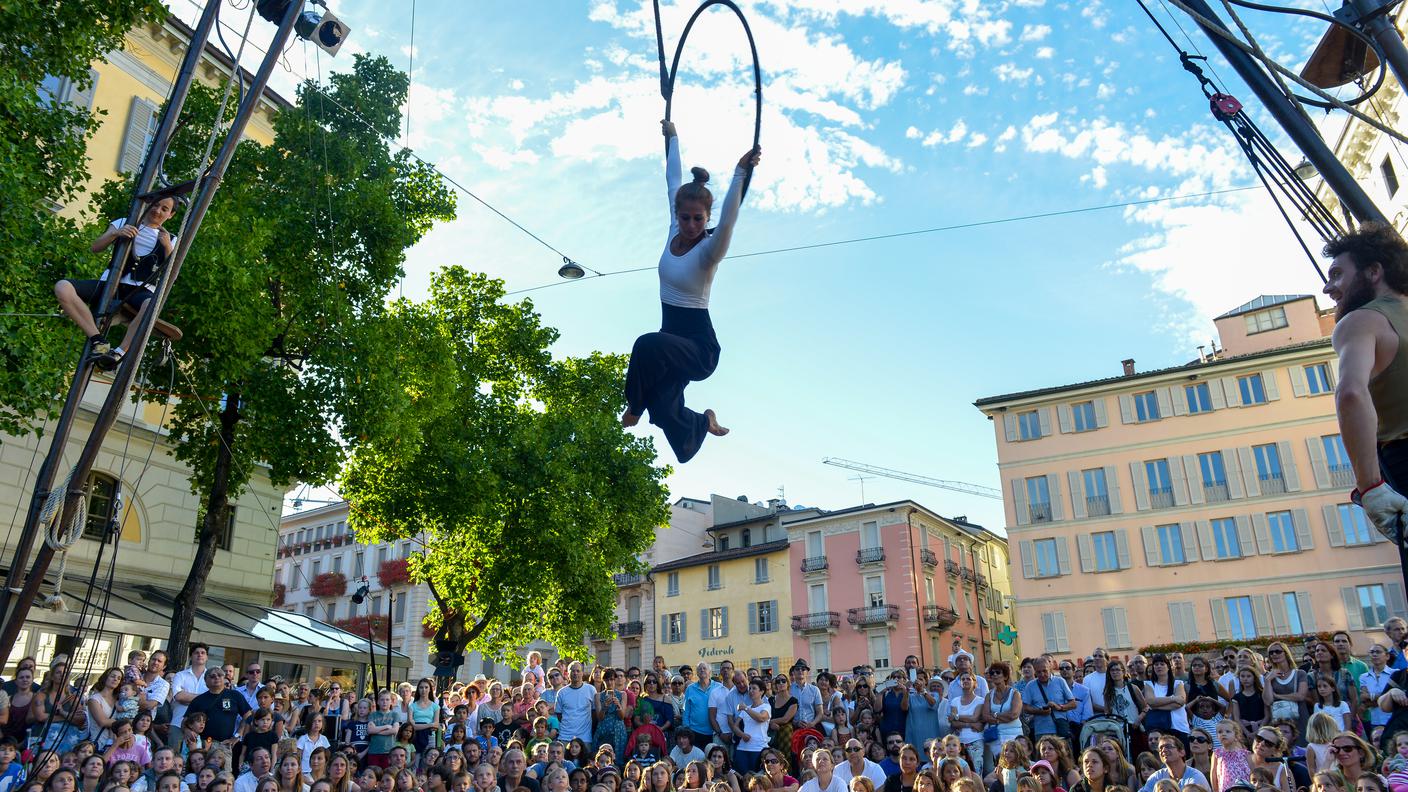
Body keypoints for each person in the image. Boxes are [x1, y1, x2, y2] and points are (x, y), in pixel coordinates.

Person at [619, 119, 762, 463]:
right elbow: (672, 179)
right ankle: (701, 422)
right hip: (672, 344)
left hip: (698, 349)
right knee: (662, 406)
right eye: (685, 218)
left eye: (699, 219)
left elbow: (729, 219)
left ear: (705, 217)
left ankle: (633, 408)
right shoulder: (673, 229)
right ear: (677, 215)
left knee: (645, 343)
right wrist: (672, 138)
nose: (691, 225)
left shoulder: (708, 250)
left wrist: (741, 172)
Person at [1318, 225, 1408, 543]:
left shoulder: (1361, 322)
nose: (1329, 288)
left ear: (1373, 272)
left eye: (1338, 274)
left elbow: (1351, 393)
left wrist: (1371, 488)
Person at [54, 197, 179, 370]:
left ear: (170, 215)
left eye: (164, 209)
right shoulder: (123, 223)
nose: (157, 211)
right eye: (156, 205)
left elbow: (172, 274)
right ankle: (97, 340)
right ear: (148, 204)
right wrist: (115, 234)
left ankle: (119, 352)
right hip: (110, 283)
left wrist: (166, 247)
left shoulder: (170, 239)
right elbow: (95, 247)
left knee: (152, 304)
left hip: (140, 291)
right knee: (62, 287)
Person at [186, 669, 249, 746]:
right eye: (212, 676)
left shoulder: (235, 695)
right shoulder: (198, 700)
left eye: (219, 675)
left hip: (225, 744)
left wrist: (237, 735)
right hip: (202, 743)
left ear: (224, 678)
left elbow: (248, 715)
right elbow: (185, 721)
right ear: (206, 682)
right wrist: (187, 730)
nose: (216, 677)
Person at [1137, 736, 1209, 792]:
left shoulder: (1195, 777)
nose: (1164, 750)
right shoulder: (1157, 776)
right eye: (1160, 748)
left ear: (1181, 752)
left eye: (1168, 746)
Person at [732, 680, 770, 775]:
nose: (751, 691)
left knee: (757, 779)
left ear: (761, 692)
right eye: (750, 688)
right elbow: (735, 726)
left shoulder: (766, 706)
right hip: (742, 748)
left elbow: (761, 718)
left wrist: (745, 708)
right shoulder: (747, 708)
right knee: (743, 777)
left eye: (754, 688)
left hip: (759, 748)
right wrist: (742, 734)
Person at [555, 664, 596, 752]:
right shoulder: (562, 692)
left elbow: (594, 712)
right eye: (572, 671)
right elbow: (559, 714)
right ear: (568, 674)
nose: (575, 673)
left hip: (585, 737)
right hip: (565, 736)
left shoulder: (591, 690)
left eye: (578, 671)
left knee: (584, 764)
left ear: (582, 673)